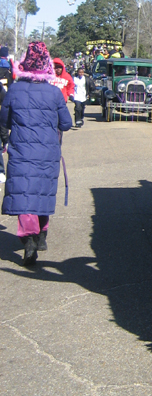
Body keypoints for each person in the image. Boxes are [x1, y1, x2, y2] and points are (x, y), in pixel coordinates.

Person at [0, 42, 72, 265]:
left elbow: (4, 121)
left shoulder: (14, 90)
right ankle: (42, 235)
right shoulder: (54, 92)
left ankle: (29, 240)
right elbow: (67, 123)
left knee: (25, 191)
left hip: (21, 149)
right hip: (47, 150)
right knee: (41, 190)